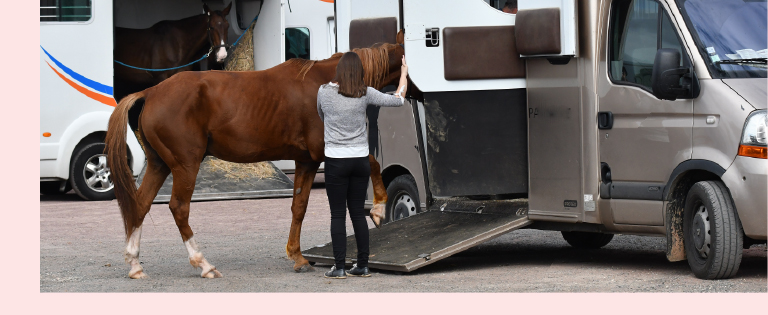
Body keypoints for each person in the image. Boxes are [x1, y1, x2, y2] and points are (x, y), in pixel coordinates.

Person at [317, 52, 409, 279]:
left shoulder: (324, 92)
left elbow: (322, 116)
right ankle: (363, 266)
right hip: (359, 160)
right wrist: (404, 74)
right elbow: (398, 99)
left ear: (339, 70)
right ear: (359, 72)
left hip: (336, 160)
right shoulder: (365, 92)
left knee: (337, 214)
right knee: (357, 213)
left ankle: (339, 268)